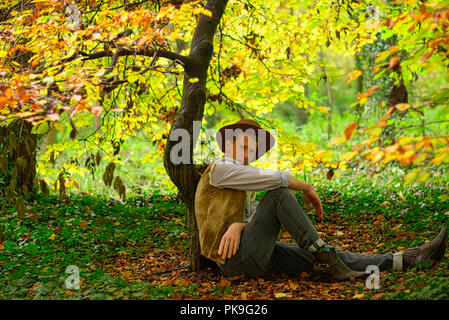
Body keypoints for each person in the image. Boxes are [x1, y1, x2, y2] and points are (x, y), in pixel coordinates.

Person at [194, 118, 447, 280]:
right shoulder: (220, 169)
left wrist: (241, 225)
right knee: (280, 193)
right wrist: (306, 186)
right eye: (244, 147)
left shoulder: (240, 181)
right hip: (234, 263)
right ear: (228, 145)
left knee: (330, 257)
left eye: (254, 150)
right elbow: (273, 180)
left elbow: (248, 220)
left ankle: (407, 258)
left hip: (252, 254)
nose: (249, 155)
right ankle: (321, 251)